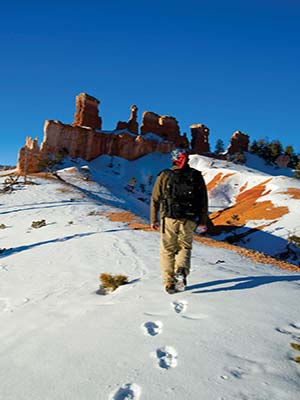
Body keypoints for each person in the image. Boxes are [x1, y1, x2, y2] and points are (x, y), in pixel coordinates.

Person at [150, 148, 208, 294]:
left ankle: (169, 282)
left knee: (167, 250)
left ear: (173, 159)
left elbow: (155, 199)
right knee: (185, 247)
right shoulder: (196, 175)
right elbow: (203, 200)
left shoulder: (165, 175)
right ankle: (181, 270)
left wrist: (153, 219)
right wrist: (202, 220)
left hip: (169, 217)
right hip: (189, 218)